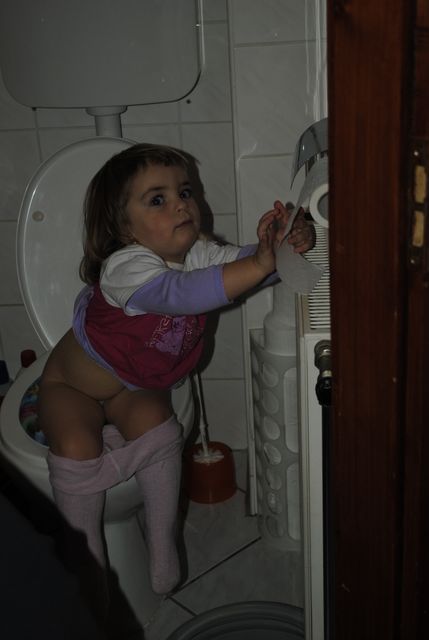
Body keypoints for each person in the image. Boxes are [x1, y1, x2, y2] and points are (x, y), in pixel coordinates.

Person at [37, 143, 314, 619]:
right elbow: (180, 293)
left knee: (159, 426)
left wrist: (280, 247)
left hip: (130, 386)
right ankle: (87, 570)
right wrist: (258, 265)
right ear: (124, 228)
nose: (181, 204)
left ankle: (162, 545)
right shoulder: (126, 267)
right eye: (157, 199)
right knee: (78, 446)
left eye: (184, 192)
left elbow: (247, 269)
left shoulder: (197, 252)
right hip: (72, 387)